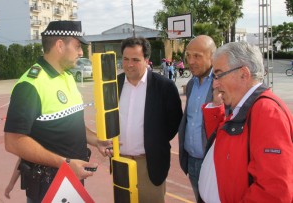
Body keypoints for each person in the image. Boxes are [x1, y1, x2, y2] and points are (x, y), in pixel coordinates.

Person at [4, 20, 112, 202]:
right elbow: (13, 142)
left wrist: (96, 141)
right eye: (77, 46)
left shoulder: (67, 77)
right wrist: (66, 164)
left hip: (72, 182)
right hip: (48, 189)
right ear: (60, 45)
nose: (81, 52)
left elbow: (69, 124)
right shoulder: (31, 84)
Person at [199, 41, 293, 202]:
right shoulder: (244, 107)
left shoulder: (267, 113)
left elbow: (274, 191)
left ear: (244, 74)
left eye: (219, 74)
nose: (215, 83)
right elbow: (228, 146)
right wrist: (215, 108)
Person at [117, 37, 183, 203]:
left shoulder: (165, 87)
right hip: (121, 165)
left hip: (149, 165)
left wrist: (154, 140)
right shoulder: (113, 84)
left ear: (146, 60)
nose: (129, 64)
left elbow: (174, 123)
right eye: (125, 59)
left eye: (135, 60)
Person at [178, 35, 217, 202]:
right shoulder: (192, 84)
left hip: (212, 163)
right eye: (188, 55)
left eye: (197, 56)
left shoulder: (221, 83)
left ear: (212, 57)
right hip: (192, 162)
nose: (190, 61)